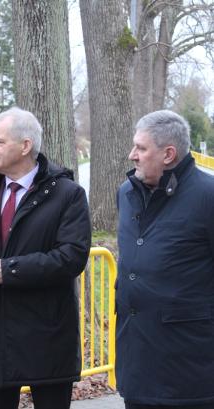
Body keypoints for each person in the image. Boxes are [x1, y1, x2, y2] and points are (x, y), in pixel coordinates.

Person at [0, 106, 91, 409]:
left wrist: (8, 271)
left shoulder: (68, 195)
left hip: (47, 342)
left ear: (25, 146)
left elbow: (72, 257)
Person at [116, 110, 214, 409]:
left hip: (190, 372)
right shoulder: (127, 192)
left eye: (141, 148)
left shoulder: (207, 196)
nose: (132, 155)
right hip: (138, 365)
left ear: (168, 154)